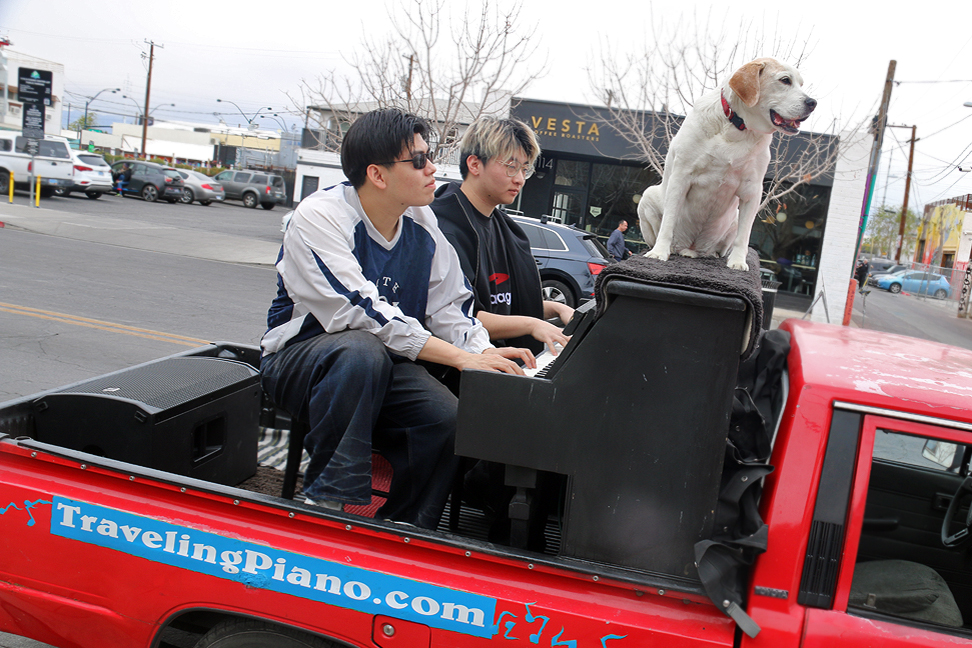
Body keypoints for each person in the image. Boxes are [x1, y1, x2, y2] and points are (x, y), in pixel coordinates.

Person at [259, 108, 532, 529]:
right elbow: (361, 311)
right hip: (301, 362)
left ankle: (405, 529)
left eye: (430, 156)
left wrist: (483, 352)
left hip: (380, 365)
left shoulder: (422, 221)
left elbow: (450, 306)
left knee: (446, 418)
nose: (432, 169)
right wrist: (461, 359)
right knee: (359, 349)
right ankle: (326, 504)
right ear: (377, 174)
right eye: (418, 160)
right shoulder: (319, 216)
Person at [432, 117, 573, 357]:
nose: (519, 179)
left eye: (525, 169)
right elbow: (456, 316)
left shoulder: (505, 228)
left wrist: (557, 308)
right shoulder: (444, 227)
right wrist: (532, 325)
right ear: (475, 164)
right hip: (461, 364)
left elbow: (505, 305)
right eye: (511, 166)